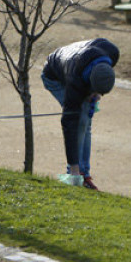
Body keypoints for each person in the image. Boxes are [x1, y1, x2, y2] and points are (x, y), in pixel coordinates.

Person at [41, 38, 119, 189]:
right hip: (53, 76)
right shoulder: (74, 80)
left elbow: (101, 77)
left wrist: (95, 92)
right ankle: (75, 175)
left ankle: (84, 173)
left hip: (79, 66)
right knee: (80, 120)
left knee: (85, 119)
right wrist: (74, 169)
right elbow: (69, 125)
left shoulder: (112, 52)